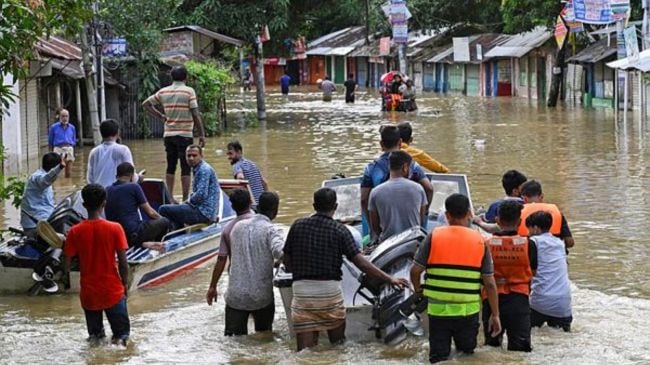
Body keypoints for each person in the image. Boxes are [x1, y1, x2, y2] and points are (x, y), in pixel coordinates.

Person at [283, 187, 408, 351]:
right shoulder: (340, 230)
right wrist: (390, 278)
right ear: (335, 207)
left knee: (305, 352)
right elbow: (361, 263)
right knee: (338, 346)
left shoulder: (297, 226)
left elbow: (287, 260)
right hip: (329, 293)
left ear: (314, 205)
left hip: (302, 293)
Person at [410, 193, 501, 363]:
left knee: (438, 358)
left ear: (447, 215)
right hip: (468, 311)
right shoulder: (480, 241)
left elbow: (415, 271)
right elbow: (489, 283)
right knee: (466, 356)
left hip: (438, 311)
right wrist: (495, 315)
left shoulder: (434, 236)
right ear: (469, 213)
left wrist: (418, 291)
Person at [206, 190, 284, 336]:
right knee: (264, 339)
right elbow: (281, 252)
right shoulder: (270, 230)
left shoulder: (236, 228)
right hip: (261, 296)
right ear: (275, 211)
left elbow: (235, 257)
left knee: (234, 342)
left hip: (236, 296)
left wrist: (212, 286)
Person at [63, 184, 130, 345]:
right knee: (121, 337)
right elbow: (123, 263)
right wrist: (125, 284)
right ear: (104, 203)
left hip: (89, 293)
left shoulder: (75, 232)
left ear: (84, 205)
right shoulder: (115, 228)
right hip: (112, 290)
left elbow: (66, 264)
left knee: (95, 339)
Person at [143, 65, 206, 201]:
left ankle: (170, 198)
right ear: (186, 78)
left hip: (169, 135)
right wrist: (201, 134)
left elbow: (146, 104)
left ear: (172, 77)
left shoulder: (163, 92)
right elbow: (195, 114)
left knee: (170, 166)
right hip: (185, 134)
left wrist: (160, 116)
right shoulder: (189, 92)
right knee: (185, 167)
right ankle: (184, 198)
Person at [481, 200, 536, 352]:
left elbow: (482, 276)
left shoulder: (485, 244)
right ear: (519, 222)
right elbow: (533, 273)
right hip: (519, 301)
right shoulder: (528, 244)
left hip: (491, 301)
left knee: (491, 349)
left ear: (497, 220)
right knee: (520, 351)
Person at [360, 124, 433, 237]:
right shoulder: (411, 165)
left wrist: (373, 229)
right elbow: (429, 188)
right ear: (400, 142)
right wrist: (423, 216)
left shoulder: (371, 168)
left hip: (384, 228)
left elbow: (364, 199)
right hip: (411, 232)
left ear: (381, 144)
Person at [105, 162, 169, 251]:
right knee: (164, 222)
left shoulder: (107, 190)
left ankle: (142, 243)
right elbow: (151, 212)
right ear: (131, 176)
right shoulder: (134, 187)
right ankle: (157, 245)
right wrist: (163, 220)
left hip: (116, 234)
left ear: (117, 176)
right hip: (134, 234)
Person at [526, 211, 573, 332]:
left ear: (535, 228)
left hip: (540, 301)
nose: (528, 233)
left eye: (529, 229)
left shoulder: (533, 242)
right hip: (563, 304)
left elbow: (529, 272)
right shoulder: (560, 243)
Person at [368, 151, 428, 242]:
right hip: (413, 242)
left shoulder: (375, 192)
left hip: (387, 244)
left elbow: (375, 226)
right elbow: (420, 218)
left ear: (389, 166)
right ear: (405, 167)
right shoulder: (418, 189)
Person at [159, 145, 219, 230]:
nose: (191, 158)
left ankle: (173, 233)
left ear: (201, 156)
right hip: (206, 211)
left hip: (204, 213)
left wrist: (187, 202)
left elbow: (201, 195)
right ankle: (178, 231)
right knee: (175, 209)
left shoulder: (203, 170)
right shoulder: (199, 168)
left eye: (194, 155)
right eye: (188, 156)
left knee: (163, 209)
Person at [518, 180, 575, 249]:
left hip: (529, 256)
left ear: (524, 199)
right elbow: (570, 242)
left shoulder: (517, 214)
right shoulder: (556, 213)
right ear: (541, 196)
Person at [20, 152, 65, 238]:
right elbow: (45, 180)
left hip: (41, 221)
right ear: (54, 168)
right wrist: (59, 167)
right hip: (35, 224)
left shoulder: (41, 176)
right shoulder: (37, 177)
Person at [87, 119, 139, 189]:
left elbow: (90, 179)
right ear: (118, 133)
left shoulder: (94, 152)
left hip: (99, 194)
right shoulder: (123, 150)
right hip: (117, 192)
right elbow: (132, 177)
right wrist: (139, 178)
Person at [226, 141, 268, 205]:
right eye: (228, 154)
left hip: (252, 204)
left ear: (239, 152)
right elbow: (264, 182)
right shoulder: (253, 164)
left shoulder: (237, 165)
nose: (228, 157)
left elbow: (240, 178)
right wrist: (265, 199)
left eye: (231, 154)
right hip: (261, 203)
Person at [48, 108, 76, 178]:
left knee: (68, 172)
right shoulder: (54, 127)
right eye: (63, 116)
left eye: (66, 116)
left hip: (69, 148)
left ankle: (67, 185)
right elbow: (50, 141)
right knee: (57, 171)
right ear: (59, 117)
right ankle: (58, 187)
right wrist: (51, 153)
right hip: (58, 149)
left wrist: (72, 148)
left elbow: (74, 139)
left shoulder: (72, 127)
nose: (65, 118)